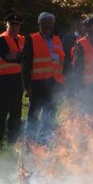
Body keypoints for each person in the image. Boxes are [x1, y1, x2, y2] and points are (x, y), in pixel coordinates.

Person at [22, 12, 67, 145]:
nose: (47, 25)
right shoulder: (31, 39)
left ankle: (43, 142)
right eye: (45, 23)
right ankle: (30, 143)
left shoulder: (57, 40)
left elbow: (62, 63)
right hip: (37, 85)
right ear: (39, 24)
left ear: (53, 25)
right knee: (34, 115)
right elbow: (25, 65)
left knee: (50, 115)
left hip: (54, 85)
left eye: (50, 23)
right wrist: (27, 87)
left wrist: (62, 83)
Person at [0, 13, 26, 149]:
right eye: (12, 25)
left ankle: (14, 141)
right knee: (1, 112)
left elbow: (24, 56)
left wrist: (17, 56)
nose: (15, 27)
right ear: (7, 25)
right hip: (3, 80)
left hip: (18, 79)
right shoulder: (1, 39)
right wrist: (21, 56)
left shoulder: (23, 39)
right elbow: (8, 56)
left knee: (16, 112)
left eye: (17, 25)